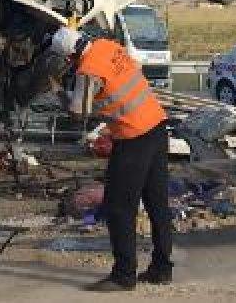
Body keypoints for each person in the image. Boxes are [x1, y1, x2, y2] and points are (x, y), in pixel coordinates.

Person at [51, 25, 173, 292]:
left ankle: (123, 275)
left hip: (133, 137)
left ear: (69, 57)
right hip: (157, 126)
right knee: (157, 203)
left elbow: (78, 113)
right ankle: (162, 268)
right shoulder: (108, 46)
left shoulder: (87, 71)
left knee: (118, 206)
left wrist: (59, 92)